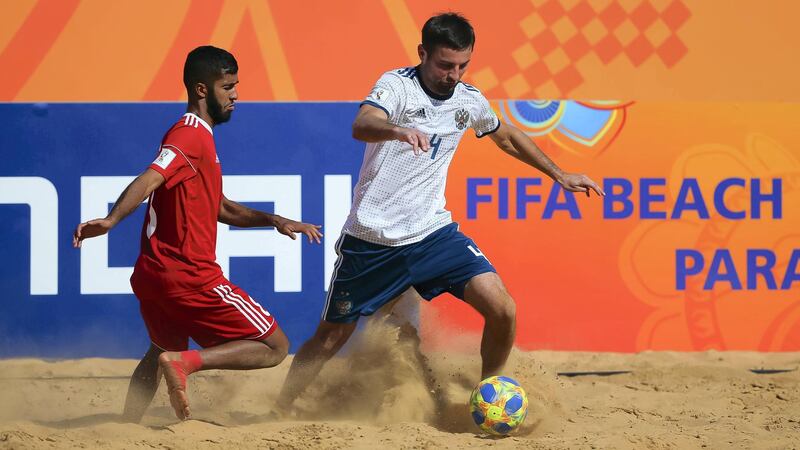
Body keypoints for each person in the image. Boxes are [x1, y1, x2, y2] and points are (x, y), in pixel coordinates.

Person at [274, 12, 604, 413]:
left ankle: (491, 394)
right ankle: (281, 406)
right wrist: (396, 129)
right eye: (445, 65)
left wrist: (560, 174)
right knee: (331, 336)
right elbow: (363, 123)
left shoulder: (468, 99)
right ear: (423, 54)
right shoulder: (397, 86)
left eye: (463, 65)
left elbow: (507, 137)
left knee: (503, 308)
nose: (454, 74)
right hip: (373, 240)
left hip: (433, 234)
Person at [72, 46, 323, 422]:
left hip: (154, 275)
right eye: (228, 87)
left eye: (236, 85)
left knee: (155, 351)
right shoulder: (189, 134)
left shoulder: (199, 138)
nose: (236, 95)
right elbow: (150, 177)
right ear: (202, 89)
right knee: (274, 346)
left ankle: (126, 428)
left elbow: (220, 207)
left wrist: (275, 220)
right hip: (190, 276)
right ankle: (185, 363)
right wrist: (111, 220)